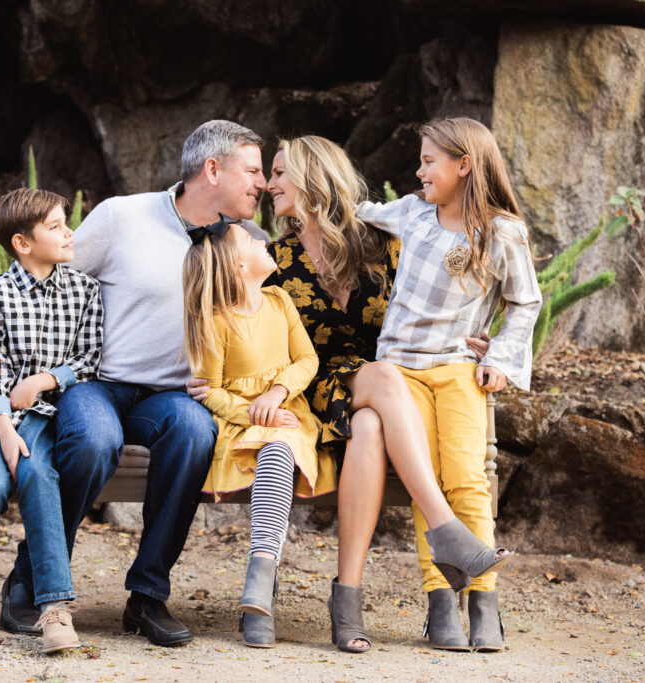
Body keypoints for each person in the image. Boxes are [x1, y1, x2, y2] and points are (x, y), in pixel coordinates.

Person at [189, 135, 511, 653]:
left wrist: (487, 339)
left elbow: (450, 298)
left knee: (370, 421)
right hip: (310, 389)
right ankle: (446, 529)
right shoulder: (273, 260)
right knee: (381, 380)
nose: (268, 184)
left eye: (278, 172)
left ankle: (347, 597)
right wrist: (207, 376)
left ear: (312, 177)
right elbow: (222, 317)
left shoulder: (386, 243)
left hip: (387, 394)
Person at [0, 120, 270, 647]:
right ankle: (33, 576)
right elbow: (40, 278)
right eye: (254, 170)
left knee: (196, 432)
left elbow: (275, 319)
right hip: (96, 383)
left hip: (173, 394)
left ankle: (147, 596)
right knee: (94, 440)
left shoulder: (244, 242)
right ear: (212, 169)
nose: (262, 182)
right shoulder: (122, 216)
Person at [357, 117, 543, 652]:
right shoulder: (414, 214)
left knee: (467, 477)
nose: (419, 171)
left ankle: (484, 600)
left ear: (464, 165)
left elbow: (525, 300)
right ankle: (441, 604)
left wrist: (502, 357)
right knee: (428, 481)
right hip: (399, 372)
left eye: (428, 161)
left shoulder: (501, 232)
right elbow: (360, 211)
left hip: (459, 366)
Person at [0, 188, 102, 654]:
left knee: (38, 475)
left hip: (43, 415)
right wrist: (4, 428)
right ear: (22, 243)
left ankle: (54, 609)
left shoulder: (84, 290)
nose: (69, 232)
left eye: (64, 222)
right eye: (55, 226)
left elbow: (90, 358)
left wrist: (45, 379)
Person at [182, 219, 335, 648]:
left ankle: (259, 578)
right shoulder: (215, 321)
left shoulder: (279, 300)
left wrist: (279, 392)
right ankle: (262, 582)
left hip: (290, 415)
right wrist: (255, 413)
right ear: (236, 266)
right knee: (274, 446)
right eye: (250, 239)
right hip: (243, 424)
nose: (263, 238)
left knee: (281, 446)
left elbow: (308, 359)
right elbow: (209, 391)